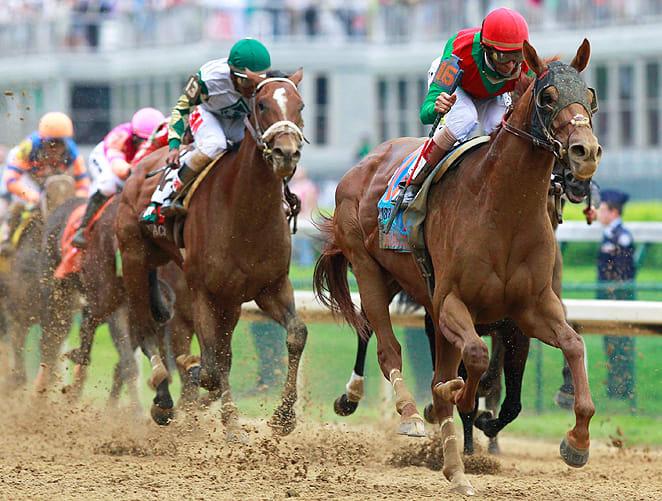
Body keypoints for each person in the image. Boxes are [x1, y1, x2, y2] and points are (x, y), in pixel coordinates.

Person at [404, 7, 531, 202]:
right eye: (504, 57)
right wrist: (437, 107)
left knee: (502, 127)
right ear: (487, 49)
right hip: (459, 87)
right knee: (465, 119)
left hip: (491, 94)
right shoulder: (459, 51)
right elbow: (424, 115)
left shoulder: (526, 66)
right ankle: (413, 180)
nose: (512, 66)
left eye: (518, 56)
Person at [141, 37, 272, 223]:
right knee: (215, 144)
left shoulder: (269, 82)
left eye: (257, 81)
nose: (252, 88)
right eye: (246, 82)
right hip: (208, 115)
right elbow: (182, 108)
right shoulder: (208, 79)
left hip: (238, 121)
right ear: (232, 74)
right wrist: (174, 146)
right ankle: (168, 195)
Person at [71, 107, 165, 248]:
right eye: (142, 141)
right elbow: (118, 168)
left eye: (152, 141)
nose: (147, 146)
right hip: (107, 159)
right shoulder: (120, 136)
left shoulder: (166, 136)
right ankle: (83, 227)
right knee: (108, 185)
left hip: (135, 164)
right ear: (134, 135)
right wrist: (135, 171)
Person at [595, 189, 637, 406]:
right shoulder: (609, 234)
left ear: (613, 212)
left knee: (621, 344)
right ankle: (615, 389)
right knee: (610, 344)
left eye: (603, 210)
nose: (599, 214)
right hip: (607, 299)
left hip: (618, 300)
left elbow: (624, 271)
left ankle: (623, 390)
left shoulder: (622, 236)